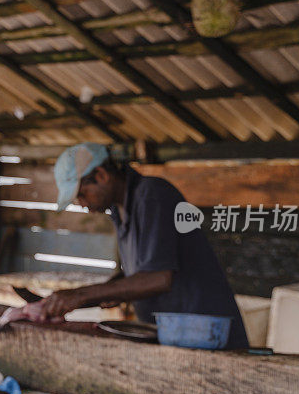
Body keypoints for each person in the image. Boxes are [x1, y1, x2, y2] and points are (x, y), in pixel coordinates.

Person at [38, 143, 248, 350]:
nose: (82, 204)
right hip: (178, 337)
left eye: (81, 194)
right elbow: (138, 273)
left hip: (206, 334)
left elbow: (157, 278)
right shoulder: (120, 211)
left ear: (101, 175)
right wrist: (99, 293)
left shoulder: (152, 195)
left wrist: (80, 295)